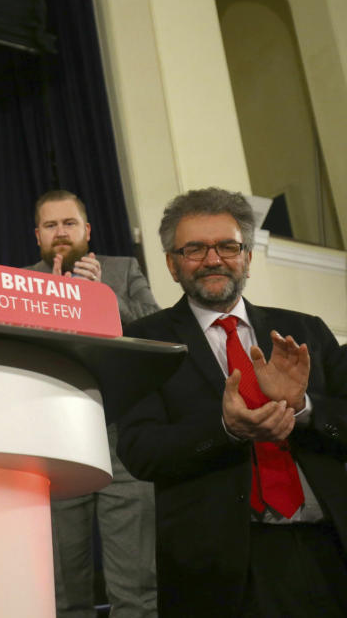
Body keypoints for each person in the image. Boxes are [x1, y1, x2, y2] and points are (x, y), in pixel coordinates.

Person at [118, 187, 347, 617]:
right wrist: (225, 429)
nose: (213, 259)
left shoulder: (306, 331)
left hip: (330, 551)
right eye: (195, 249)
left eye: (227, 246)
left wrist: (304, 409)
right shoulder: (145, 342)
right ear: (171, 263)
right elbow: (140, 451)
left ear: (247, 257)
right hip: (218, 572)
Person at [28, 189, 160, 617]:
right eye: (51, 225)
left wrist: (104, 295)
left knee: (135, 587)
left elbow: (157, 333)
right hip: (56, 445)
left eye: (69, 223)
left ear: (87, 230)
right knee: (64, 591)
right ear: (38, 236)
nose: (60, 233)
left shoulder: (122, 271)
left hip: (123, 442)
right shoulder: (20, 280)